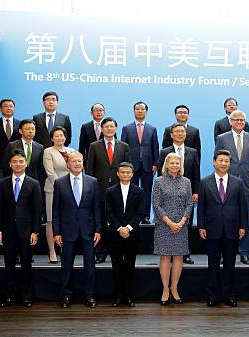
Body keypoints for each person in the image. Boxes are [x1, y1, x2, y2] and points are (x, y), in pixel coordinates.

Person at [198, 150, 248, 307]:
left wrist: (243, 226)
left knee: (229, 265)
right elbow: (201, 207)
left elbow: (243, 206)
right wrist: (201, 226)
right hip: (212, 229)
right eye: (220, 160)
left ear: (230, 163)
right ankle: (212, 296)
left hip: (232, 229)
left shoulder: (237, 182)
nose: (223, 163)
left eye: (226, 161)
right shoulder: (205, 182)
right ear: (214, 162)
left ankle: (228, 295)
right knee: (212, 264)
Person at [53, 152, 102, 308]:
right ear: (68, 164)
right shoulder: (59, 183)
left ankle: (90, 295)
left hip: (88, 230)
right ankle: (66, 296)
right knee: (66, 265)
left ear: (83, 163)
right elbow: (56, 210)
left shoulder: (92, 182)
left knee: (90, 266)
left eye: (79, 161)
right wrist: (57, 232)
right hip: (67, 231)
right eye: (73, 161)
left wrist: (98, 229)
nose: (77, 163)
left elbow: (97, 207)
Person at [0, 149, 42, 308]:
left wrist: (35, 231)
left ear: (26, 163)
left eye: (21, 161)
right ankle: (9, 296)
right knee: (8, 264)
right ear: (10, 164)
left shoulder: (34, 183)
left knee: (26, 265)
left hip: (27, 231)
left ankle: (27, 296)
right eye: (14, 161)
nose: (18, 164)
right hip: (7, 231)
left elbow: (37, 210)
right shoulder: (2, 183)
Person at [215, 110, 249, 265]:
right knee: (223, 218)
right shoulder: (222, 138)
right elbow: (219, 159)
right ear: (231, 121)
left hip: (245, 184)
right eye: (236, 119)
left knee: (244, 218)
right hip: (226, 183)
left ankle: (244, 252)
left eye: (242, 120)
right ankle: (222, 253)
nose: (240, 122)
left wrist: (244, 175)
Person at [86, 117, 131, 264]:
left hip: (119, 192)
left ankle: (118, 251)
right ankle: (100, 252)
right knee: (100, 223)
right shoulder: (94, 146)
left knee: (118, 222)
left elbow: (127, 169)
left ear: (116, 128)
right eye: (106, 127)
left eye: (112, 126)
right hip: (99, 190)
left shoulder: (123, 146)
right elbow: (90, 170)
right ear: (102, 129)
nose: (109, 129)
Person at [157, 123, 201, 265]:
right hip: (168, 193)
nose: (180, 134)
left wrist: (196, 191)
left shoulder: (193, 151)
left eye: (182, 131)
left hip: (186, 192)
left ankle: (185, 253)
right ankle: (168, 252)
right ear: (171, 135)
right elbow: (160, 172)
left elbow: (196, 171)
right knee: (168, 222)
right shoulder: (165, 152)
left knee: (185, 222)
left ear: (186, 134)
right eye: (177, 132)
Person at [153, 153, 193, 305]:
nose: (175, 165)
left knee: (178, 257)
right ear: (166, 165)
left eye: (177, 163)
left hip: (181, 225)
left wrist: (182, 221)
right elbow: (156, 204)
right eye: (172, 163)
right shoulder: (159, 181)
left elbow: (189, 203)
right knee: (165, 257)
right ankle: (164, 290)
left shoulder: (187, 182)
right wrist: (170, 223)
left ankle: (174, 288)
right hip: (164, 225)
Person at [105, 162, 144, 308]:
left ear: (132, 174)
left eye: (128, 172)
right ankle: (117, 296)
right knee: (116, 267)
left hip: (132, 235)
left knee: (129, 267)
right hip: (115, 235)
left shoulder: (139, 191)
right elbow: (109, 212)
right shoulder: (110, 191)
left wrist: (128, 228)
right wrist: (119, 228)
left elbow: (140, 213)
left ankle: (129, 297)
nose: (125, 174)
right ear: (118, 174)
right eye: (123, 172)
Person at [121, 101, 159, 224]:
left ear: (146, 112)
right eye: (137, 109)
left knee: (147, 192)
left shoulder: (152, 129)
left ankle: (145, 216)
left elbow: (155, 148)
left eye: (142, 109)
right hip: (131, 166)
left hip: (148, 166)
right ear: (134, 111)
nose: (140, 111)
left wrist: (156, 164)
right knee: (131, 192)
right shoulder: (126, 128)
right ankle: (132, 216)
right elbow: (123, 147)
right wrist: (125, 165)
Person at [43, 126, 73, 263]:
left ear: (65, 137)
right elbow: (50, 173)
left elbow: (75, 170)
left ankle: (65, 250)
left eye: (62, 135)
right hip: (53, 190)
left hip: (71, 191)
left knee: (67, 220)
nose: (59, 138)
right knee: (51, 220)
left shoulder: (72, 151)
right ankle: (52, 251)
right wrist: (62, 187)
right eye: (56, 136)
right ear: (51, 138)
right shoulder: (48, 152)